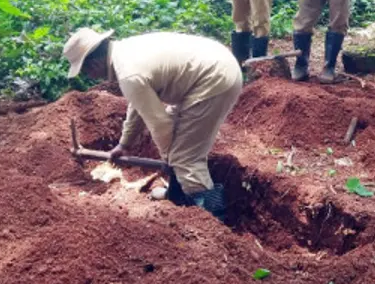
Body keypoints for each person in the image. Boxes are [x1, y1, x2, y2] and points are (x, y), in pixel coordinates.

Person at [62, 28, 243, 221]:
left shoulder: (129, 74)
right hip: (215, 68)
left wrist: (170, 159)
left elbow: (160, 125)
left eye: (87, 71)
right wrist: (124, 144)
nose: (90, 77)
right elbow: (138, 104)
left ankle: (213, 219)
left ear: (95, 63)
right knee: (177, 150)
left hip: (214, 79)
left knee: (184, 158)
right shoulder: (125, 53)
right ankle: (177, 196)